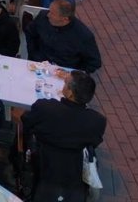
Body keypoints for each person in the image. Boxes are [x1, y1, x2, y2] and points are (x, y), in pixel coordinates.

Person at [20, 71, 108, 202]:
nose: (63, 86)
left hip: (43, 162)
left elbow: (26, 120)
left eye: (65, 83)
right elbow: (93, 142)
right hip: (73, 168)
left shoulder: (46, 108)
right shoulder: (97, 121)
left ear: (70, 92)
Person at [27, 0, 102, 72]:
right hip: (39, 65)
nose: (48, 15)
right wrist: (34, 55)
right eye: (49, 10)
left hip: (65, 73)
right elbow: (30, 33)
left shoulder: (83, 36)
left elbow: (94, 63)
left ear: (65, 19)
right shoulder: (43, 17)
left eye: (52, 13)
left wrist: (73, 73)